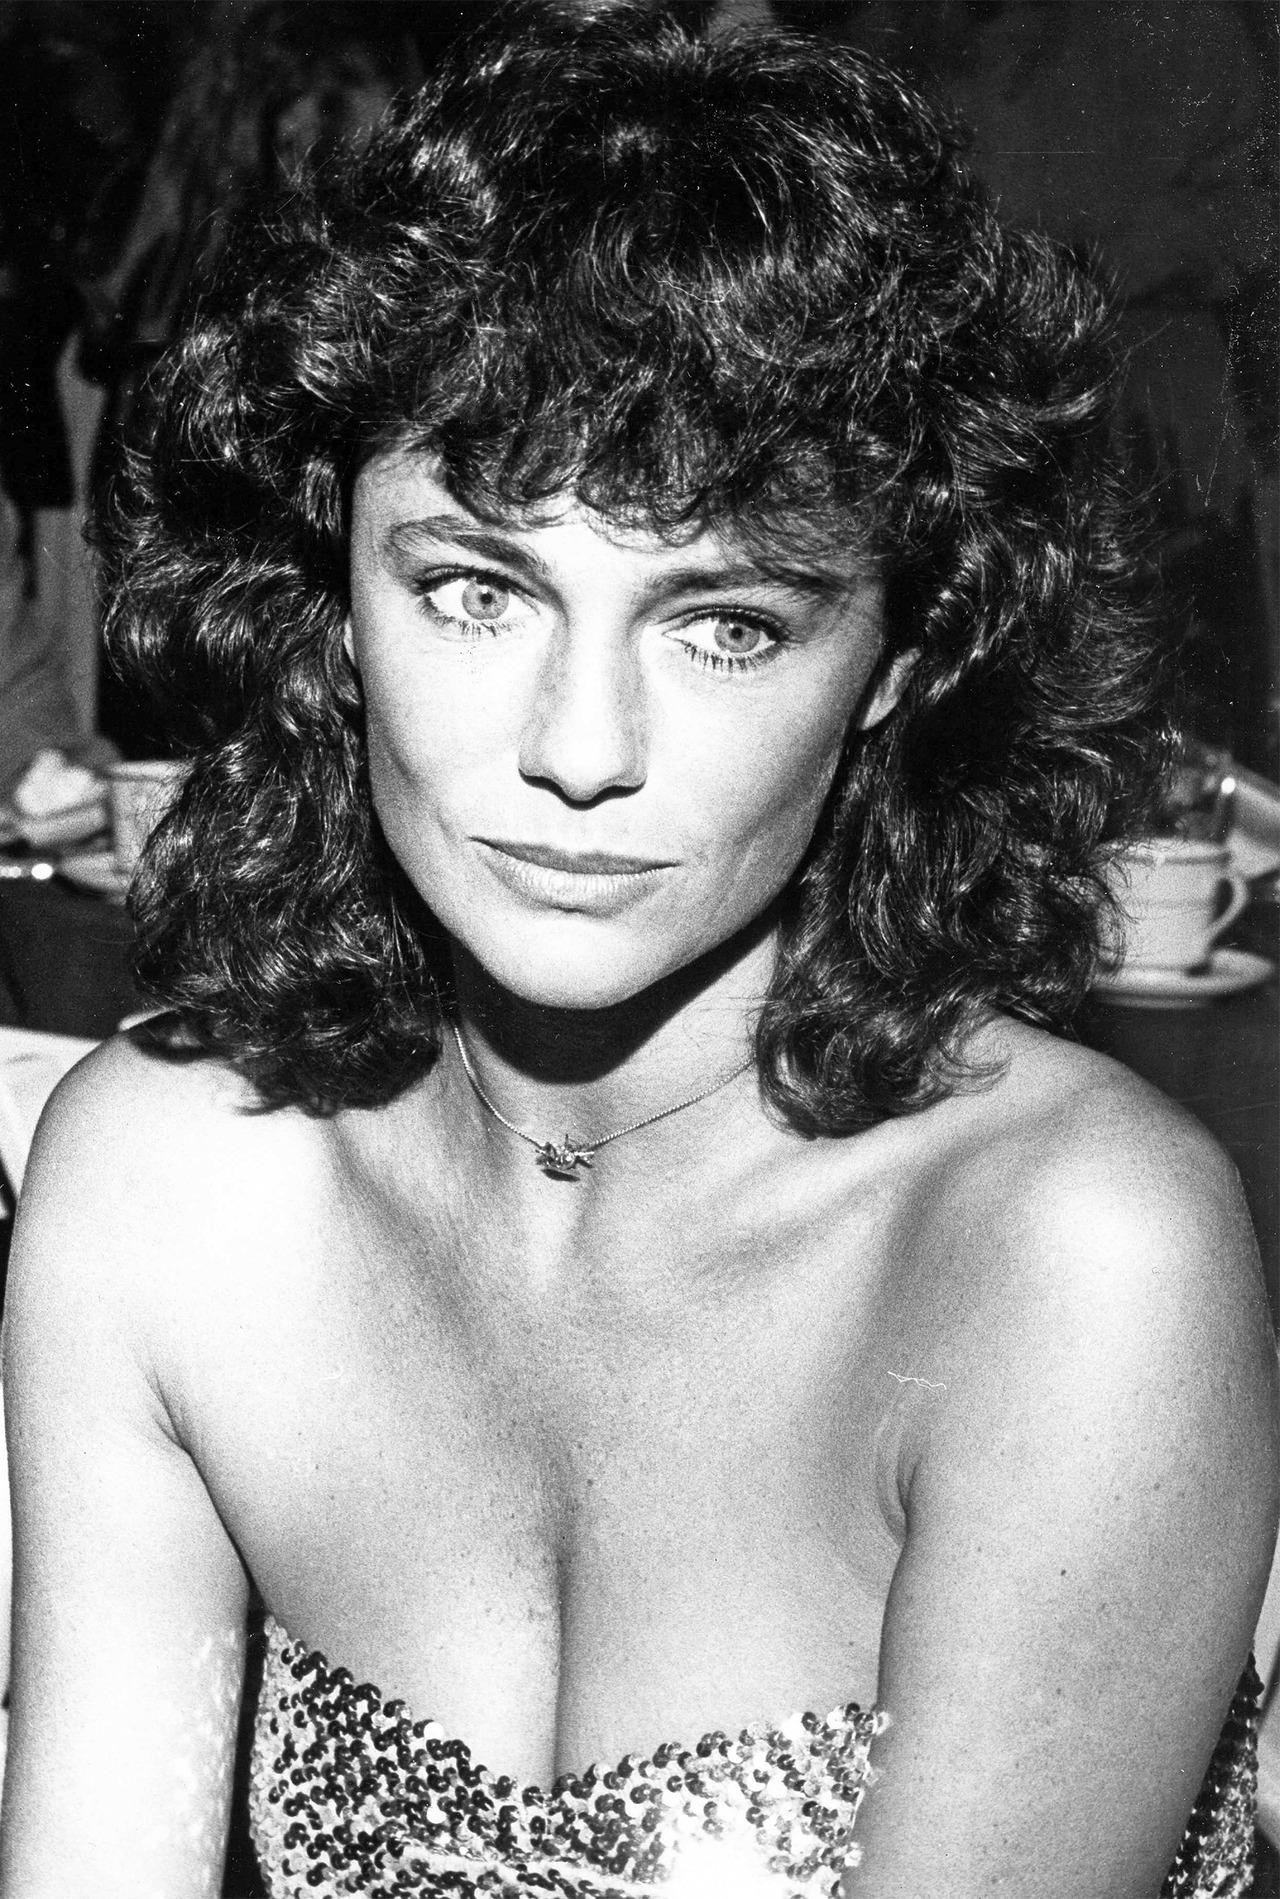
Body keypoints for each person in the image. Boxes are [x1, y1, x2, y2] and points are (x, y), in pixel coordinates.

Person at [1, 5, 1276, 1895]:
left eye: (726, 625)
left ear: (899, 661)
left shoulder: (1069, 1255)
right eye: (475, 588)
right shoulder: (165, 1185)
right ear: (332, 592)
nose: (579, 749)